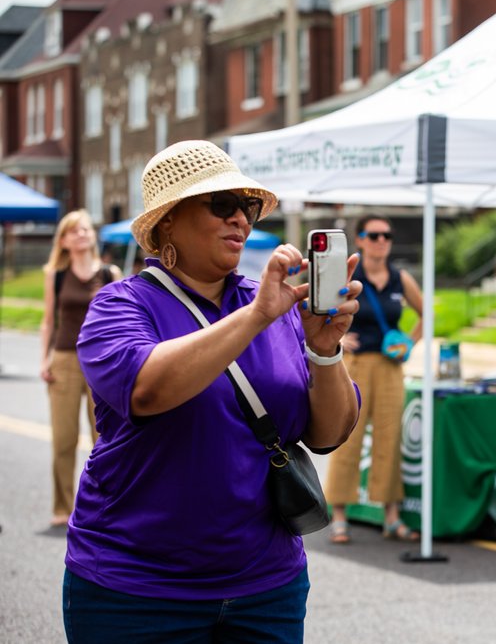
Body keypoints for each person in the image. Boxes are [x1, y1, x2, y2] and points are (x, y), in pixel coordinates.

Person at [64, 140, 362, 642]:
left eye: (247, 208)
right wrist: (257, 316)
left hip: (266, 588)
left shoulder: (273, 304)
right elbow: (147, 389)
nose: (240, 220)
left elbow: (329, 434)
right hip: (134, 591)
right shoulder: (119, 305)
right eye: (222, 204)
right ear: (167, 222)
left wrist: (325, 349)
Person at [324, 214, 424, 544]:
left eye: (387, 235)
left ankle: (391, 517)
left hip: (390, 367)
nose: (382, 241)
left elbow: (427, 314)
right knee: (348, 437)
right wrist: (338, 339)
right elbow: (322, 312)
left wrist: (409, 342)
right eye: (374, 235)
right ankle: (339, 515)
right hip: (354, 364)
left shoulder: (399, 278)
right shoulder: (349, 275)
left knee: (389, 438)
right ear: (361, 240)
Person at [39, 210, 122, 528]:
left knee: (105, 438)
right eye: (74, 231)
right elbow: (49, 321)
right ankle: (63, 507)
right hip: (64, 360)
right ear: (63, 240)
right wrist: (44, 359)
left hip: (102, 362)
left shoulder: (110, 272)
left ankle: (106, 506)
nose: (81, 234)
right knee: (64, 439)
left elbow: (121, 321)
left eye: (85, 229)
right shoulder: (56, 275)